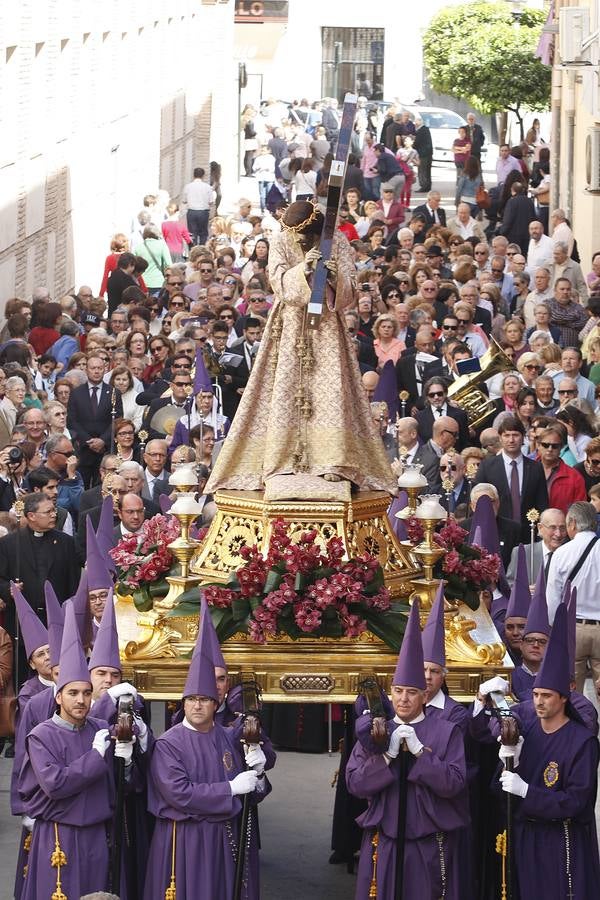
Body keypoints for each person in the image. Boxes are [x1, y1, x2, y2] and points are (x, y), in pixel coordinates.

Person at [207, 200, 395, 495]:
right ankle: (281, 459)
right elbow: (277, 281)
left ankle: (334, 462)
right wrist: (302, 269)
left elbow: (351, 288)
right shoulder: (282, 239)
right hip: (291, 324)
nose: (304, 241)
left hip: (328, 328)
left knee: (331, 390)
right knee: (283, 389)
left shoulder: (338, 240)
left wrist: (334, 276)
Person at [145, 604, 272, 899]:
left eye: (204, 699)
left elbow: (252, 793)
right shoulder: (169, 744)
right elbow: (180, 794)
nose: (198, 706)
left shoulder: (228, 737)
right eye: (191, 700)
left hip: (223, 839)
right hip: (186, 841)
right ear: (183, 703)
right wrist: (229, 788)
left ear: (216, 703)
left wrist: (259, 773)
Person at [346, 599, 469, 899]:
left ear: (424, 696)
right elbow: (355, 783)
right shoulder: (377, 730)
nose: (403, 699)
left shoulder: (446, 731)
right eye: (398, 691)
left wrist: (420, 754)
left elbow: (454, 783)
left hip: (427, 843)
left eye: (412, 692)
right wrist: (386, 756)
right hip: (383, 843)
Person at [17, 602, 127, 900]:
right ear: (58, 696)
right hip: (58, 836)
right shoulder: (41, 736)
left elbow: (118, 786)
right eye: (73, 693)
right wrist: (94, 757)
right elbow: (56, 784)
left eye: (87, 693)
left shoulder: (99, 728)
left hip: (95, 835)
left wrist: (129, 757)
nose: (82, 700)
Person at [496, 602, 600, 899]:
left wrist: (528, 792)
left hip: (561, 841)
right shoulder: (528, 731)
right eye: (536, 695)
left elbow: (577, 802)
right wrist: (508, 763)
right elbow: (502, 791)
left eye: (546, 696)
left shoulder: (582, 742)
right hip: (527, 837)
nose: (538, 702)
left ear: (564, 697)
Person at [547, 501, 600, 691]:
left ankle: (576, 721)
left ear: (573, 524)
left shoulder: (561, 553)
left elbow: (553, 597)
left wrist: (553, 627)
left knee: (571, 690)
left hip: (573, 628)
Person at [473, 416, 549, 540]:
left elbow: (542, 504)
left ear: (523, 437)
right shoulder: (487, 466)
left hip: (528, 534)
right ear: (500, 438)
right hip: (496, 533)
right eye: (507, 435)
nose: (511, 440)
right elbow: (478, 503)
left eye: (515, 435)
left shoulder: (536, 468)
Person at [67, 353, 123, 488]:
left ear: (105, 369)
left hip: (105, 449)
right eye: (93, 368)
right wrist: (88, 441)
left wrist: (102, 440)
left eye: (99, 368)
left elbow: (117, 420)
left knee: (105, 485)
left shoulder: (114, 393)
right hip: (84, 450)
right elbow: (72, 421)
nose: (96, 371)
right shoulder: (76, 393)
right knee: (83, 486)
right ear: (86, 370)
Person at [506, 507, 566, 584]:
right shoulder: (522, 553)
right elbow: (510, 584)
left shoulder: (571, 554)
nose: (558, 534)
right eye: (552, 527)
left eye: (562, 528)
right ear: (540, 528)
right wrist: (524, 590)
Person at [182, 167, 216, 246]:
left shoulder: (188, 186)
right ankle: (201, 248)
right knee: (203, 233)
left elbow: (184, 200)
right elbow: (211, 202)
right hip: (203, 212)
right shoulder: (207, 187)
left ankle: (192, 249)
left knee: (192, 233)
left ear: (193, 175)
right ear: (203, 176)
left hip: (192, 212)